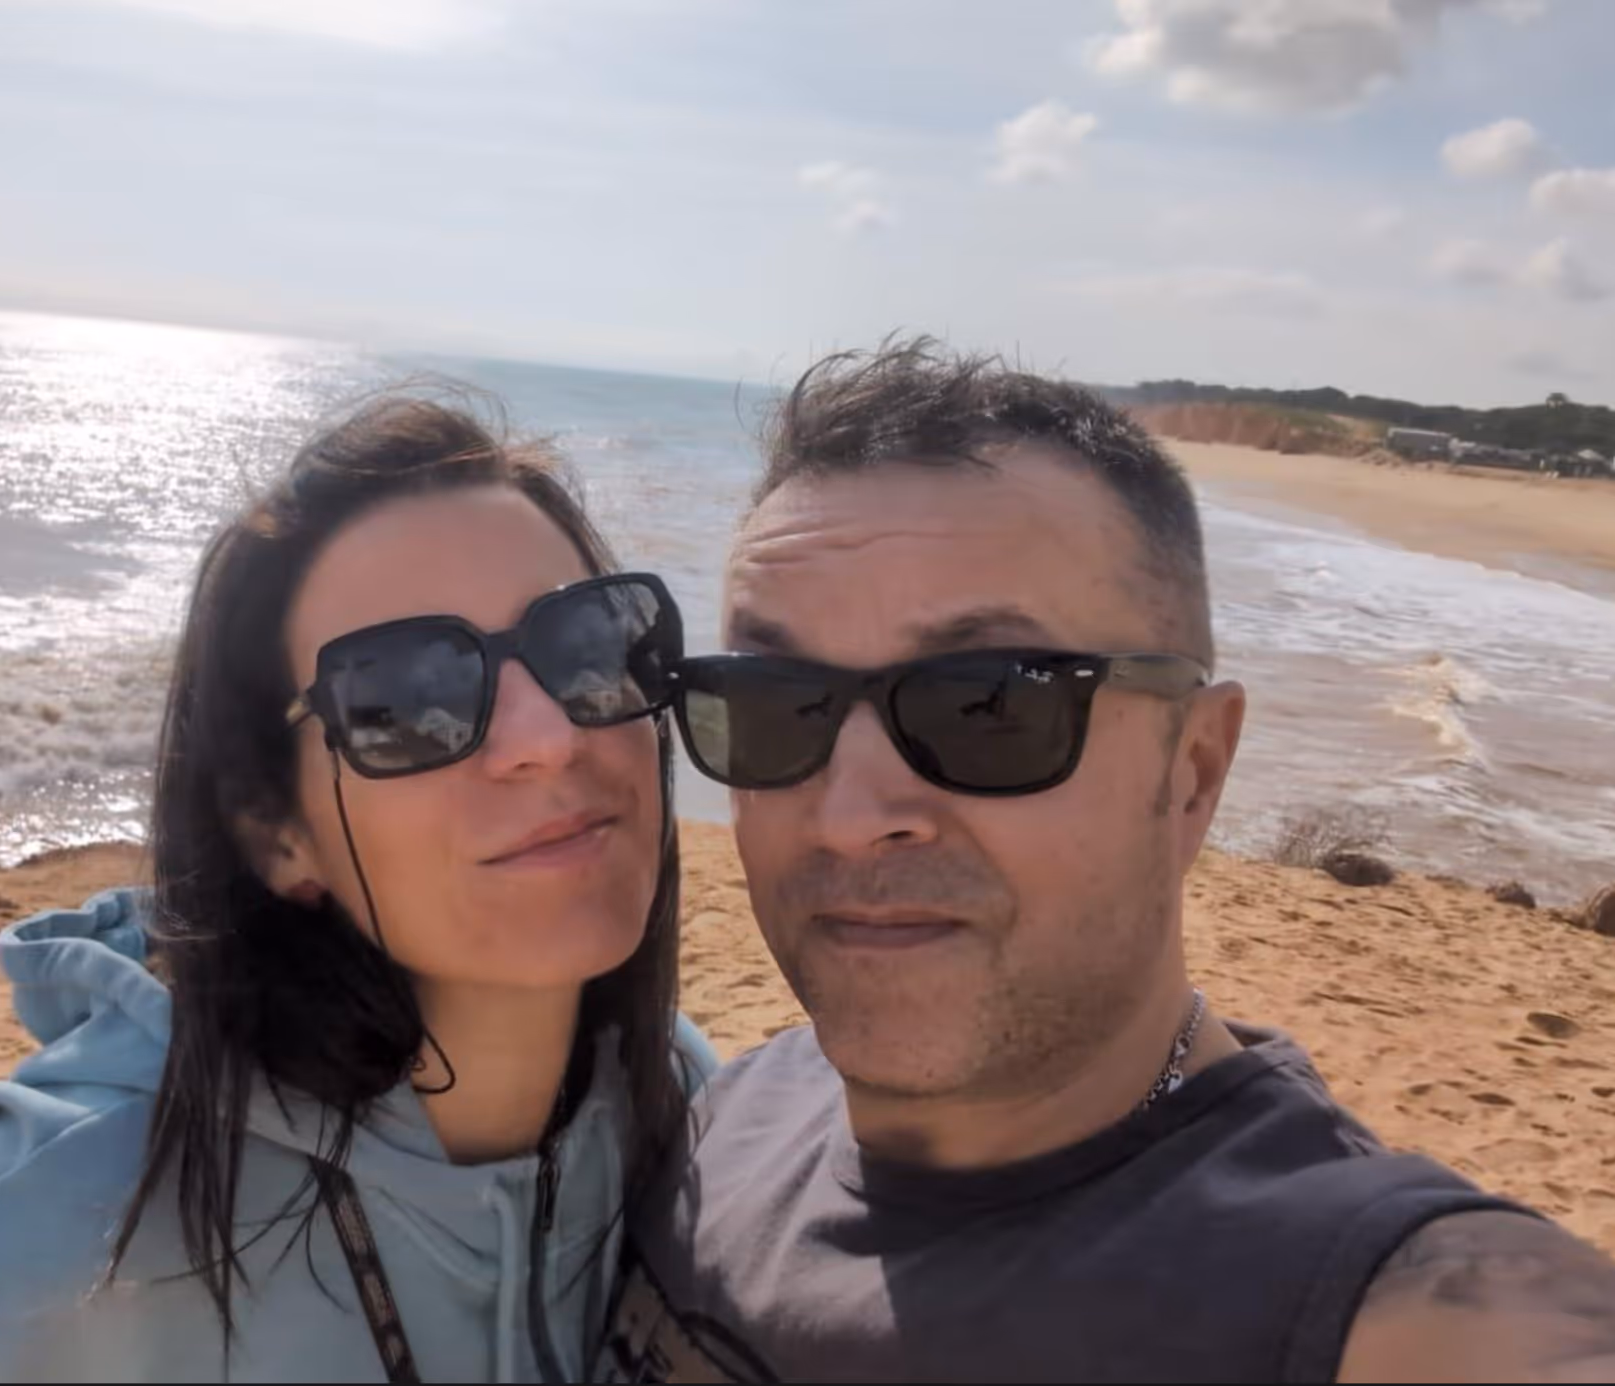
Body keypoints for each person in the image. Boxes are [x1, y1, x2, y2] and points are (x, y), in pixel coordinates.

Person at [606, 339, 1615, 1384]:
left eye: (992, 704)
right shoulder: (731, 1110)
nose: (851, 817)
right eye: (775, 705)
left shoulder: (1364, 1296)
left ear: (1193, 769)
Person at [0, 395, 714, 1382]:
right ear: (277, 837)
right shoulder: (48, 1210)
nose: (549, 737)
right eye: (405, 697)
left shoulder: (679, 1107)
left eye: (590, 644)